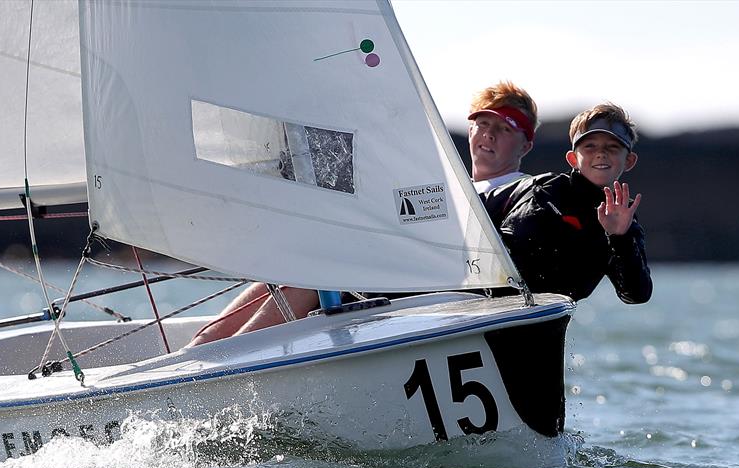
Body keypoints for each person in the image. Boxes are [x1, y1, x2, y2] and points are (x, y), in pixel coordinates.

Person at [187, 81, 541, 347]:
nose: (489, 135)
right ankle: (199, 354)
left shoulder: (523, 192)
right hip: (379, 284)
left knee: (313, 272)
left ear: (525, 144)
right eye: (483, 123)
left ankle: (221, 362)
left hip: (420, 301)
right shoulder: (450, 189)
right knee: (290, 268)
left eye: (504, 128)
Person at [483, 102, 652, 303]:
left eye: (612, 147)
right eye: (589, 146)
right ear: (573, 159)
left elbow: (636, 295)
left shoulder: (623, 218)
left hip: (546, 322)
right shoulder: (542, 190)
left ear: (629, 161)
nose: (601, 153)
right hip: (488, 310)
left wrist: (619, 237)